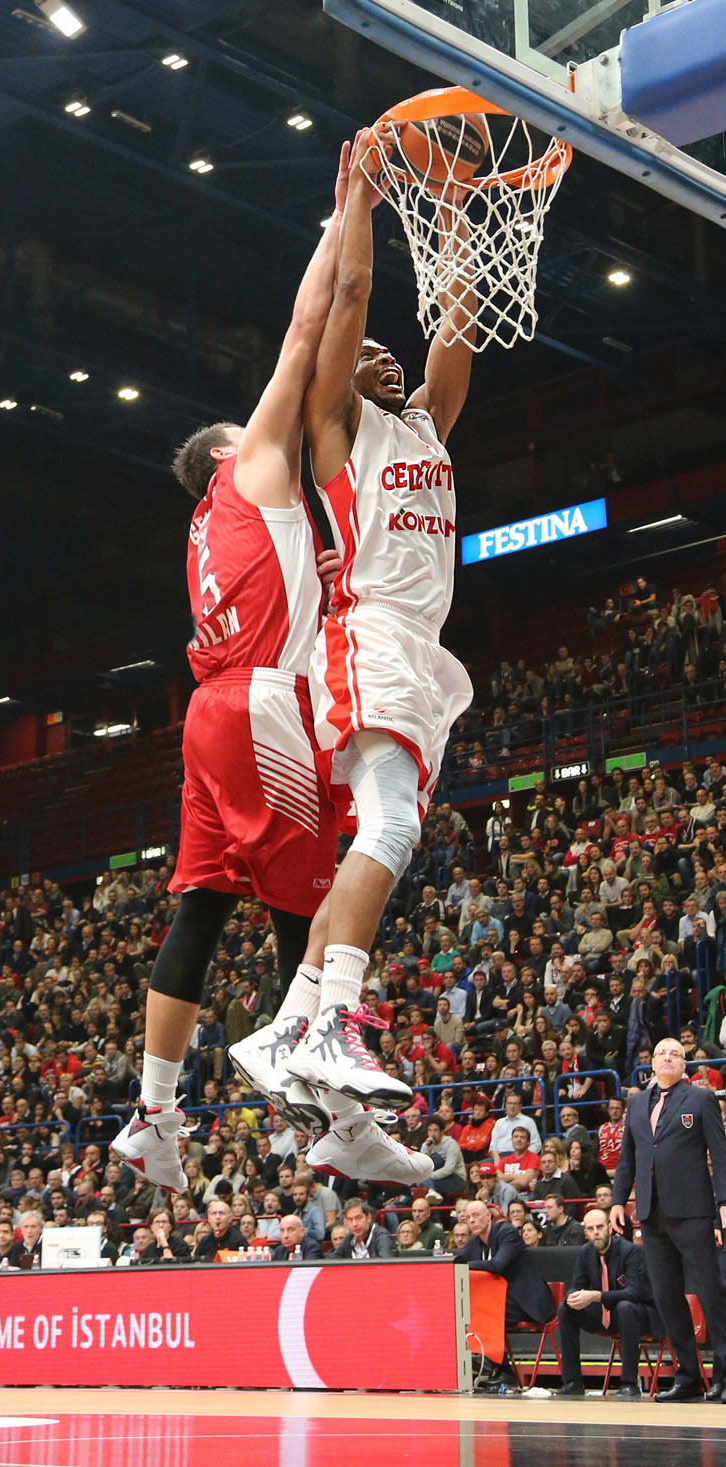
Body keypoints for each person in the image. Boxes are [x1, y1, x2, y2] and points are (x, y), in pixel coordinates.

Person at [111, 148, 351, 1192]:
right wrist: (340, 220)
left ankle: (154, 1113)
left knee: (203, 909)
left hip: (209, 714)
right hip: (261, 704)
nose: (267, 426)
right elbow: (302, 333)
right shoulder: (249, 466)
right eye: (248, 428)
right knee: (309, 903)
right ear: (225, 453)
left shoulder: (204, 528)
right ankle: (322, 1110)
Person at [282, 122, 477, 1177]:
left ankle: (296, 1020)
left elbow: (456, 318)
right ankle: (331, 1023)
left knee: (384, 831)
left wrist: (451, 205)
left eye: (386, 353)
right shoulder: (335, 429)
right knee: (393, 824)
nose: (382, 352)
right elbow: (350, 295)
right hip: (368, 634)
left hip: (417, 654)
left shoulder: (427, 428)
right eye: (365, 354)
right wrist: (359, 194)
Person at [611, 1036, 726, 1401]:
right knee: (666, 1296)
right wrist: (618, 1201)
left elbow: (720, 1155)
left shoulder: (701, 1099)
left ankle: (724, 1375)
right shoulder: (635, 1103)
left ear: (684, 1064)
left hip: (693, 1211)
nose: (667, 1058)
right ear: (652, 1062)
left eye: (675, 1054)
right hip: (651, 1213)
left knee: (710, 1293)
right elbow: (627, 1159)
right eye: (662, 1053)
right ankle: (688, 1377)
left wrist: (724, 1201)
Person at [554, 1208, 664, 1400]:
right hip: (609, 1313)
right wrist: (572, 1297)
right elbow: (576, 1284)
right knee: (566, 1309)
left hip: (643, 1313)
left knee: (625, 1306)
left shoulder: (630, 1251)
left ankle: (629, 1383)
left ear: (610, 1228)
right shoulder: (585, 1253)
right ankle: (572, 1382)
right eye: (591, 1229)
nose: (596, 1232)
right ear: (585, 1233)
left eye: (600, 1227)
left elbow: (633, 1292)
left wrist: (596, 1296)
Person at [457, 1199, 557, 1390]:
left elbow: (497, 1265)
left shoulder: (506, 1232)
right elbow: (465, 1266)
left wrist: (460, 1264)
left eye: (476, 1215)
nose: (472, 1221)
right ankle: (490, 1365)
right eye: (468, 1217)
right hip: (499, 1301)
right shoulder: (474, 1243)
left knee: (483, 1314)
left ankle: (503, 1370)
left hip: (526, 1301)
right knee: (468, 1313)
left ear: (488, 1216)